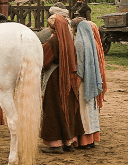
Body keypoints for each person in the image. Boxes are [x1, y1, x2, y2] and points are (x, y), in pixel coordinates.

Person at [40, 9, 83, 154]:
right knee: (67, 108)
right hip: (67, 78)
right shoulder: (68, 40)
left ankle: (55, 144)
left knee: (52, 109)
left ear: (52, 27)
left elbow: (44, 61)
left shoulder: (53, 40)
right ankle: (68, 142)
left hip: (54, 78)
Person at [73, 17, 107, 149]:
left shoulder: (79, 42)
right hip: (91, 80)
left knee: (82, 110)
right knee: (90, 110)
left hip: (82, 82)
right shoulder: (91, 42)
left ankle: (84, 140)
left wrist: (76, 80)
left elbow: (80, 66)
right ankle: (92, 138)